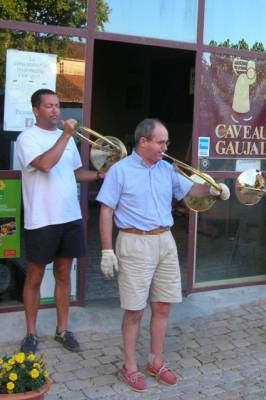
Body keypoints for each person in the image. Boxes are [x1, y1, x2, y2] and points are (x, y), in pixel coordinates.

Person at [97, 118, 230, 392]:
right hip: (134, 242)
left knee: (162, 306)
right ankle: (129, 367)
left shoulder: (166, 169)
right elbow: (106, 211)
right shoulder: (119, 171)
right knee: (134, 309)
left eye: (166, 142)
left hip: (164, 241)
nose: (165, 147)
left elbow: (191, 190)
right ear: (143, 141)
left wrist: (215, 190)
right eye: (161, 142)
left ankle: (155, 361)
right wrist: (107, 250)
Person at [16, 88, 103, 354]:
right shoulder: (26, 138)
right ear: (36, 110)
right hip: (42, 219)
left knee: (64, 275)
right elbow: (44, 164)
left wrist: (101, 176)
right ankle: (31, 332)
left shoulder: (66, 139)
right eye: (49, 106)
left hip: (70, 217)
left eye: (57, 105)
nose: (55, 110)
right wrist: (66, 135)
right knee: (34, 276)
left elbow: (76, 174)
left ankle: (62, 330)